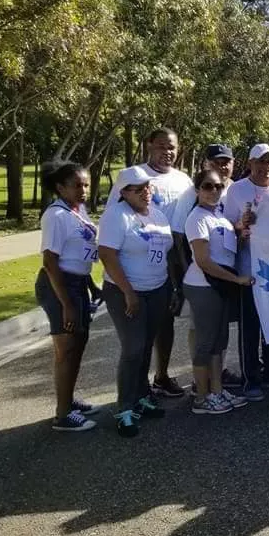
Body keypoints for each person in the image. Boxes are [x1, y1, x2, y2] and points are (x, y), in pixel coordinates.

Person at [107, 127, 193, 398]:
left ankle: (161, 377)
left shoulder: (184, 181)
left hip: (169, 258)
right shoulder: (133, 176)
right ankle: (133, 393)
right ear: (149, 146)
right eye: (161, 146)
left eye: (172, 147)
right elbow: (112, 226)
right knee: (137, 338)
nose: (167, 152)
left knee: (164, 323)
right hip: (134, 262)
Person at [99, 166, 175, 437]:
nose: (146, 192)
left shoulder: (157, 214)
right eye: (138, 188)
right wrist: (128, 292)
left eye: (148, 187)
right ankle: (125, 408)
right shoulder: (116, 215)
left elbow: (165, 252)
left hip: (157, 288)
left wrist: (169, 287)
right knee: (132, 348)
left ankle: (141, 396)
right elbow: (107, 254)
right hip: (126, 291)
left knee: (144, 348)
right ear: (124, 192)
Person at [221, 143, 269, 401]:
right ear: (250, 163)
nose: (266, 167)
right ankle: (251, 377)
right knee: (250, 325)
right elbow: (227, 226)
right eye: (260, 162)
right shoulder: (236, 190)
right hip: (248, 266)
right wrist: (241, 225)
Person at [169, 143, 242, 389]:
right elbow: (179, 237)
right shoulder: (192, 195)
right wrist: (185, 277)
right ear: (206, 164)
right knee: (201, 330)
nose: (223, 166)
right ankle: (201, 382)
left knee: (219, 332)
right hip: (202, 275)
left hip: (223, 274)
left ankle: (216, 377)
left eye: (226, 161)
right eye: (217, 161)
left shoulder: (232, 190)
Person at [36, 161, 101, 432]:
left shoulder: (78, 210)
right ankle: (62, 415)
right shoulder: (56, 215)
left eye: (86, 184)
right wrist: (67, 305)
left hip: (77, 283)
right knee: (67, 350)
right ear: (60, 187)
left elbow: (78, 255)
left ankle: (69, 399)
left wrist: (91, 286)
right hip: (58, 286)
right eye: (77, 185)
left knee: (78, 344)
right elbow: (51, 261)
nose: (83, 190)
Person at [182, 169, 252, 415]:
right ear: (197, 190)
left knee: (219, 342)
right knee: (205, 343)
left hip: (221, 286)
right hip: (203, 286)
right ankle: (201, 398)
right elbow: (203, 261)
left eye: (218, 187)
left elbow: (228, 250)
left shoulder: (219, 216)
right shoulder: (197, 218)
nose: (214, 191)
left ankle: (217, 390)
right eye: (207, 186)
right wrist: (237, 279)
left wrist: (242, 231)